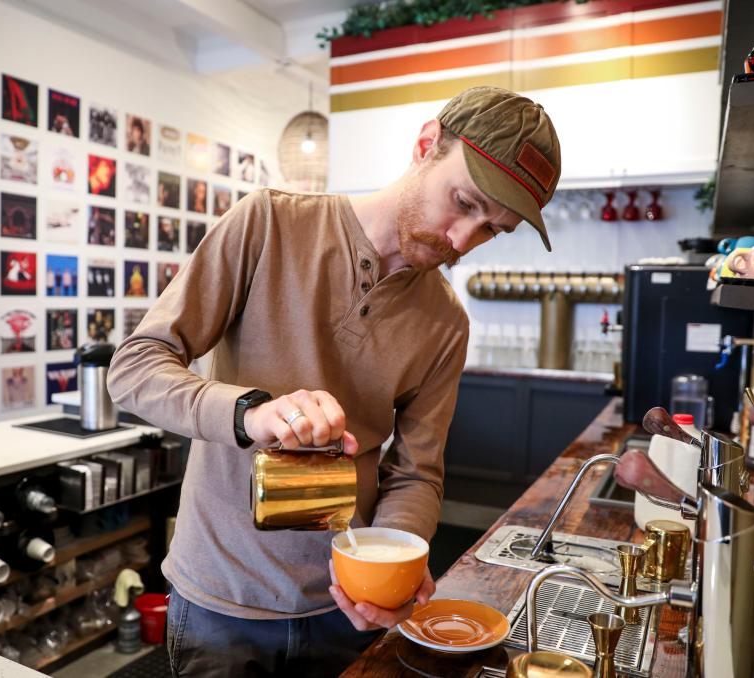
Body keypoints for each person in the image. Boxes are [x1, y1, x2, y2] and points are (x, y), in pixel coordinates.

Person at [107, 86, 561, 677]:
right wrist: (251, 413)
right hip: (222, 602)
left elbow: (417, 471)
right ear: (427, 144)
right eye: (464, 201)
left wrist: (396, 555)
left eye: (492, 230)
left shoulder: (446, 322)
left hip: (345, 610)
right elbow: (136, 367)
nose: (462, 240)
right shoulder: (268, 224)